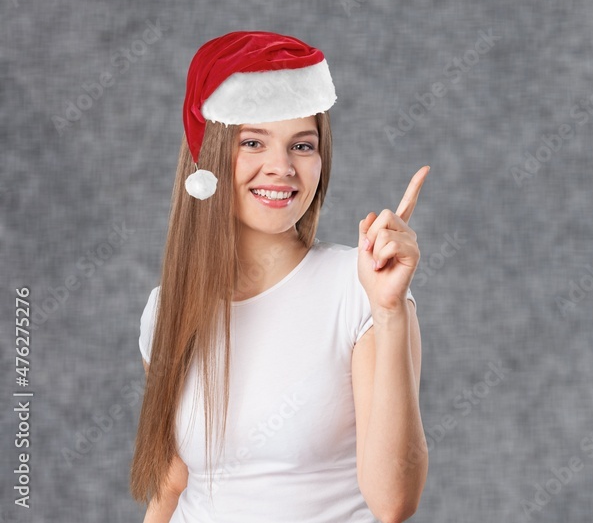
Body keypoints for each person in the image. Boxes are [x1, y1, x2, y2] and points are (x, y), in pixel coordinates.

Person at [129, 30, 429, 522]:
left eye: (302, 145)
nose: (281, 167)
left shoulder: (360, 290)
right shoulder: (167, 309)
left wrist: (390, 311)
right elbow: (170, 484)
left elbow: (393, 501)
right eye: (252, 142)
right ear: (208, 157)